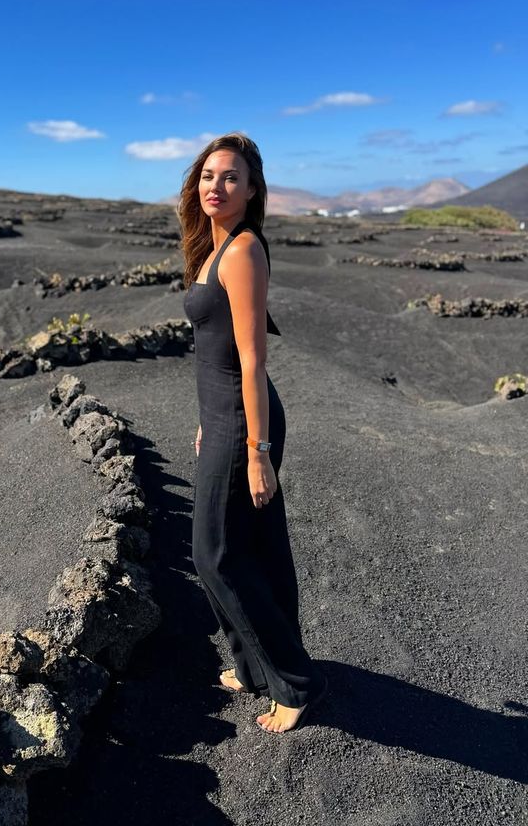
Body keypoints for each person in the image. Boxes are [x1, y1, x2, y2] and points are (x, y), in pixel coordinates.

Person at [179, 132, 328, 734]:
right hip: (223, 416)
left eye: (231, 177)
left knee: (213, 554)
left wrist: (257, 451)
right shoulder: (211, 248)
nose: (217, 185)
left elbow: (251, 360)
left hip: (246, 422)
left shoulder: (241, 252)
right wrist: (206, 417)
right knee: (254, 549)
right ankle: (249, 665)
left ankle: (293, 682)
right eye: (209, 175)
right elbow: (212, 351)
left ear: (252, 189)